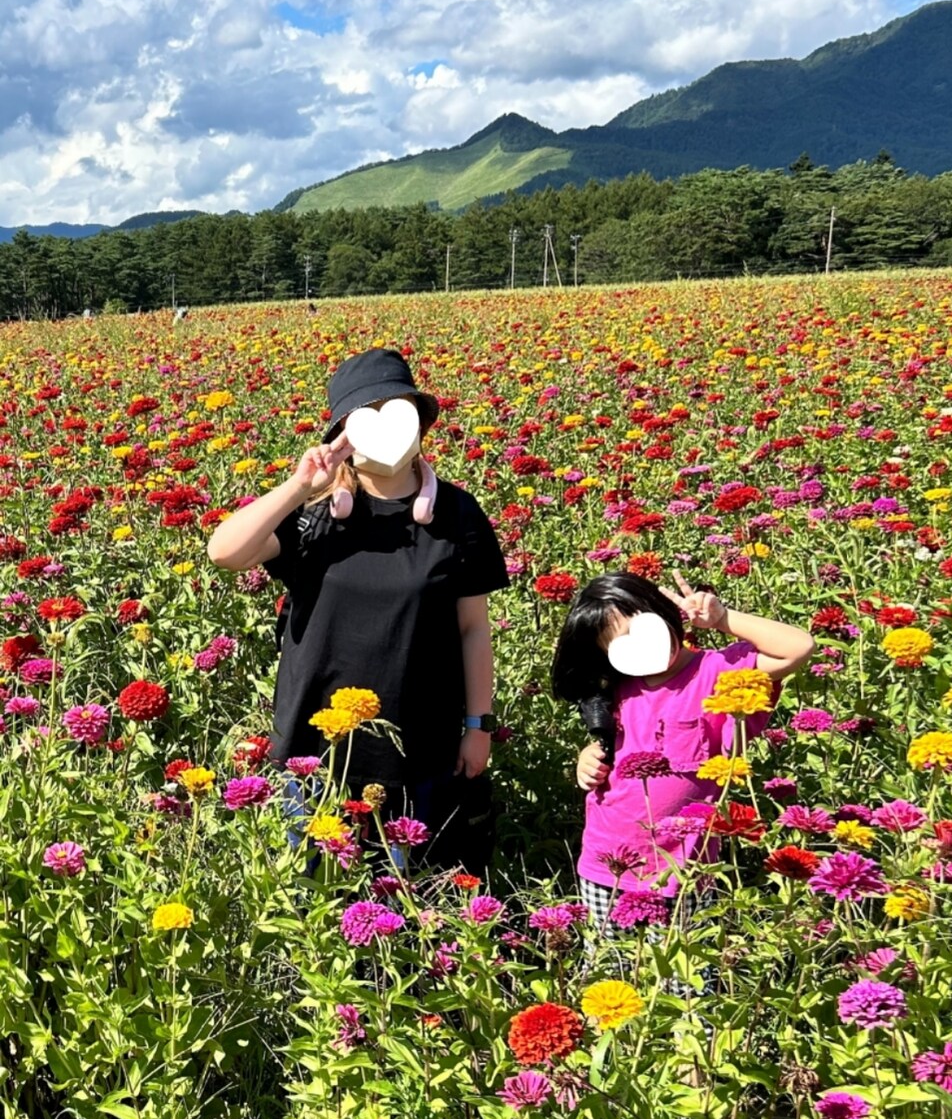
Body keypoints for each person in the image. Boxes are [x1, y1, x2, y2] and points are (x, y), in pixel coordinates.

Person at [208, 348, 509, 870]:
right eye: (365, 418)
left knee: (404, 892)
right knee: (313, 892)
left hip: (418, 741)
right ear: (340, 434)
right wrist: (300, 485)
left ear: (420, 423)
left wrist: (478, 725)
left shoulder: (457, 514)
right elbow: (225, 553)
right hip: (313, 739)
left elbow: (472, 629)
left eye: (398, 411)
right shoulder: (315, 516)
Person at [551, 570, 815, 924]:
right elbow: (611, 746)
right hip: (607, 861)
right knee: (608, 961)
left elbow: (798, 648)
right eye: (620, 645)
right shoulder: (616, 686)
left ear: (664, 611)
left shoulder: (720, 672)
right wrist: (587, 759)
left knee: (684, 973)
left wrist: (723, 619)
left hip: (685, 869)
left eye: (641, 631)